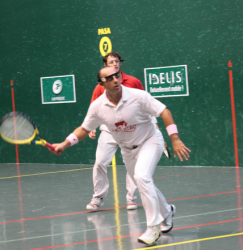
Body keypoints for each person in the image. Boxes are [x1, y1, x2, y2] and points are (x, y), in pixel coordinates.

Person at [50, 66, 191, 245]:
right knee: (143, 182)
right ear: (101, 84)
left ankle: (152, 228)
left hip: (150, 141)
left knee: (141, 176)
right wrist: (64, 144)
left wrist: (175, 139)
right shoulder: (98, 106)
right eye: (109, 78)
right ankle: (167, 212)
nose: (115, 80)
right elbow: (84, 129)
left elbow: (165, 112)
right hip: (127, 149)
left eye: (116, 75)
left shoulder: (137, 96)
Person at [87, 52, 168, 211]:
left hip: (133, 131)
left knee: (135, 168)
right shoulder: (100, 87)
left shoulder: (134, 82)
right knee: (100, 163)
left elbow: (148, 106)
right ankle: (98, 197)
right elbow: (95, 109)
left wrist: (155, 124)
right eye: (111, 62)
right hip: (109, 131)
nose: (115, 64)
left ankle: (132, 198)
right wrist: (91, 128)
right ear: (105, 65)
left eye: (117, 62)